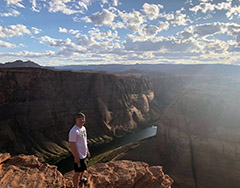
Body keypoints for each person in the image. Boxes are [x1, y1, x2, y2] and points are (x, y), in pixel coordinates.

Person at [69, 112, 91, 188]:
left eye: (83, 118)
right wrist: (76, 157)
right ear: (76, 120)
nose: (81, 120)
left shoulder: (83, 128)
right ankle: (76, 186)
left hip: (84, 153)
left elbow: (85, 140)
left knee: (83, 168)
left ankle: (81, 179)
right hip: (79, 155)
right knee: (77, 173)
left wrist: (87, 151)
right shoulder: (74, 131)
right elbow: (71, 145)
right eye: (79, 118)